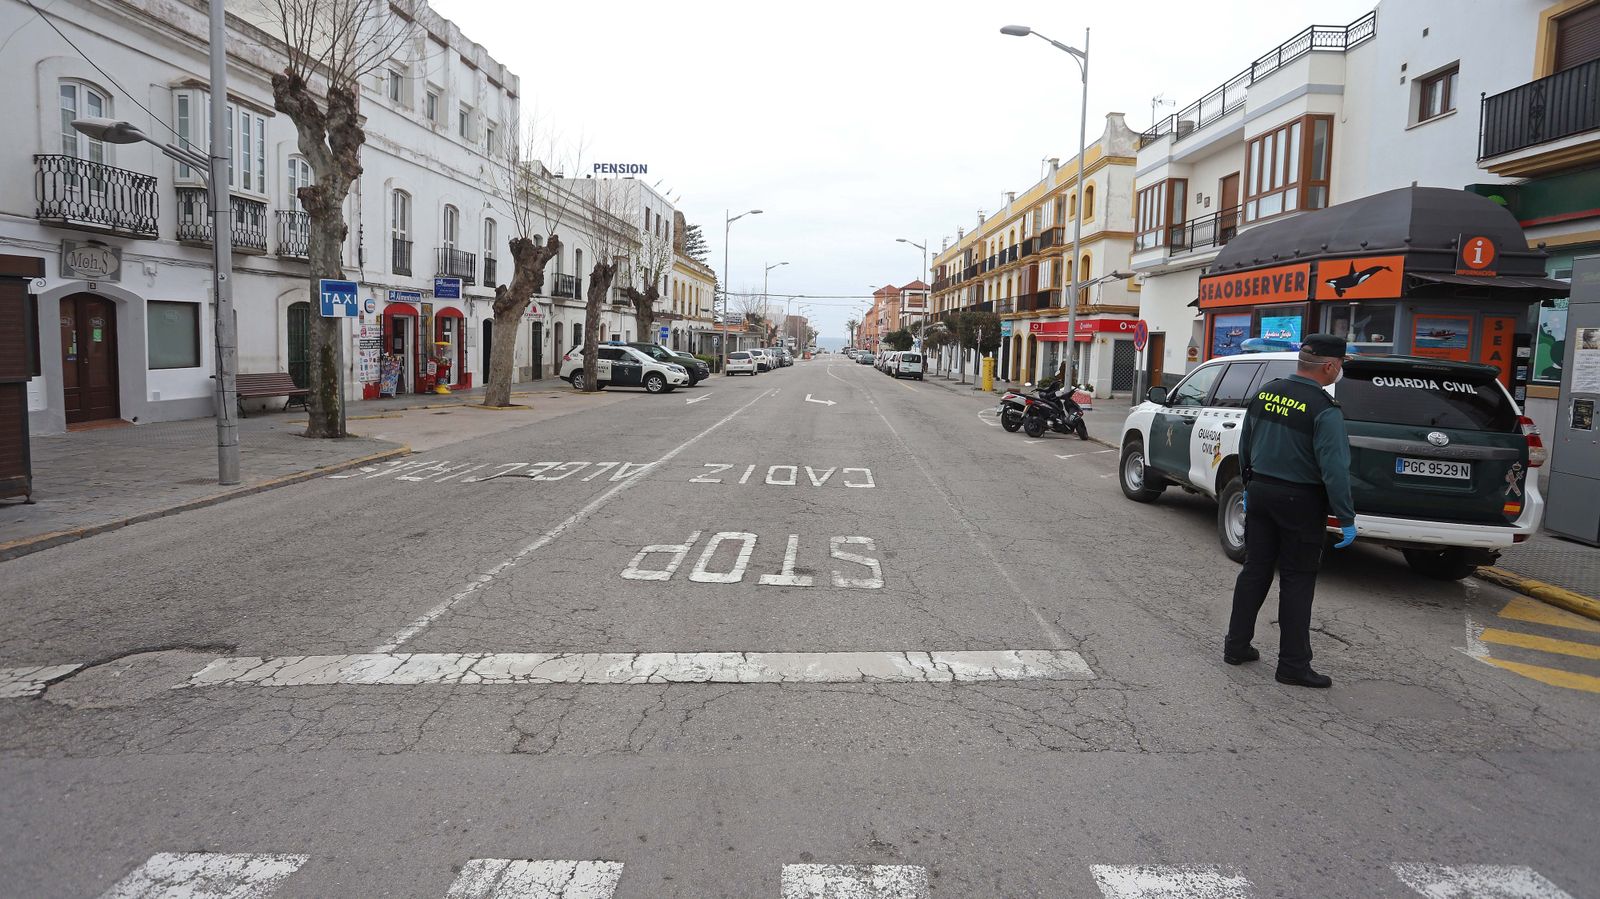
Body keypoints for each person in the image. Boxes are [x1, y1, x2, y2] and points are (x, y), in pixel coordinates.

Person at [1223, 334, 1357, 688]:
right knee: (1297, 580)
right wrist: (1346, 517)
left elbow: (1245, 444)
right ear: (1330, 366)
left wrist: (1249, 486)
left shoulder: (1267, 392)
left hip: (1262, 492)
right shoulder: (1324, 409)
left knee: (1255, 570)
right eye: (1340, 366)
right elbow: (1335, 469)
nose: (1339, 371)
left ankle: (1236, 646)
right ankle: (1293, 666)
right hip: (1300, 501)